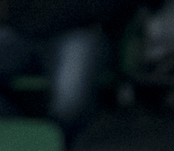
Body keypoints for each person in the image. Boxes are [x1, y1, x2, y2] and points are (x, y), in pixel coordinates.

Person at [0, 0, 129, 131]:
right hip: (20, 31)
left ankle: (60, 138)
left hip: (78, 31)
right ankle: (19, 133)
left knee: (69, 104)